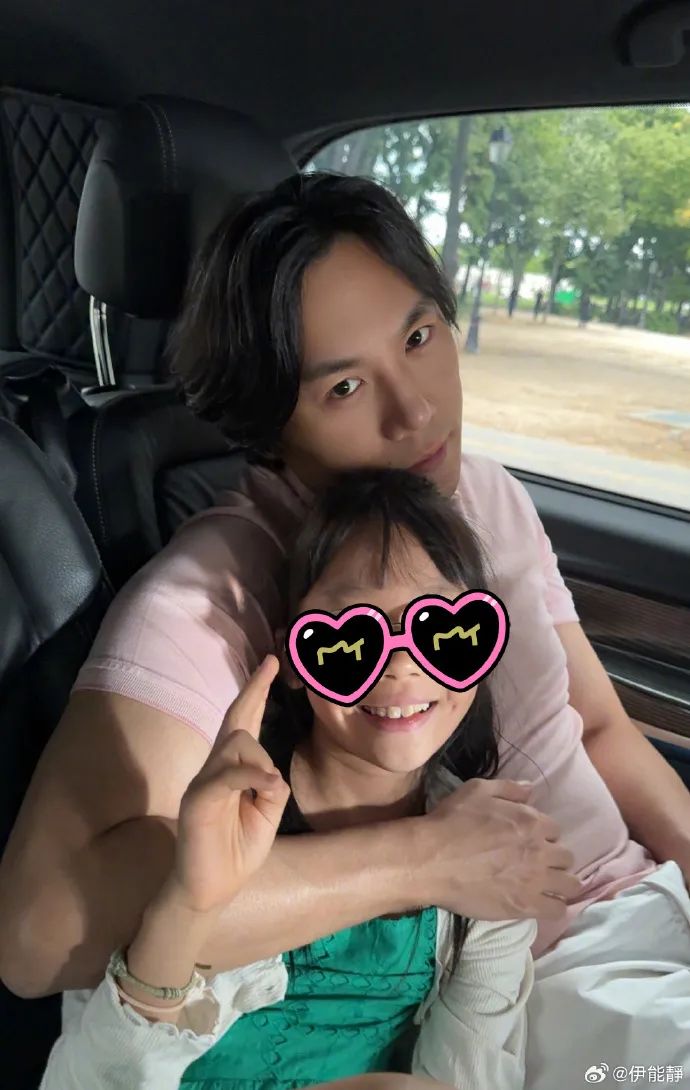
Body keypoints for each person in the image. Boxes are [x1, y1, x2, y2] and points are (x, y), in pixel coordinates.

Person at [1, 173, 689, 1076]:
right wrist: (424, 859)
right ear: (269, 426)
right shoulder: (218, 588)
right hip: (543, 969)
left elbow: (595, 727)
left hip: (652, 909)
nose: (418, 412)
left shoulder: (487, 493)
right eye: (345, 387)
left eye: (419, 337)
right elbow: (37, 932)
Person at [40, 469, 537, 1089]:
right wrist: (187, 907)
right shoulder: (219, 818)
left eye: (443, 632)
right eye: (351, 639)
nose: (402, 664)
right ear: (295, 661)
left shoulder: (489, 863)